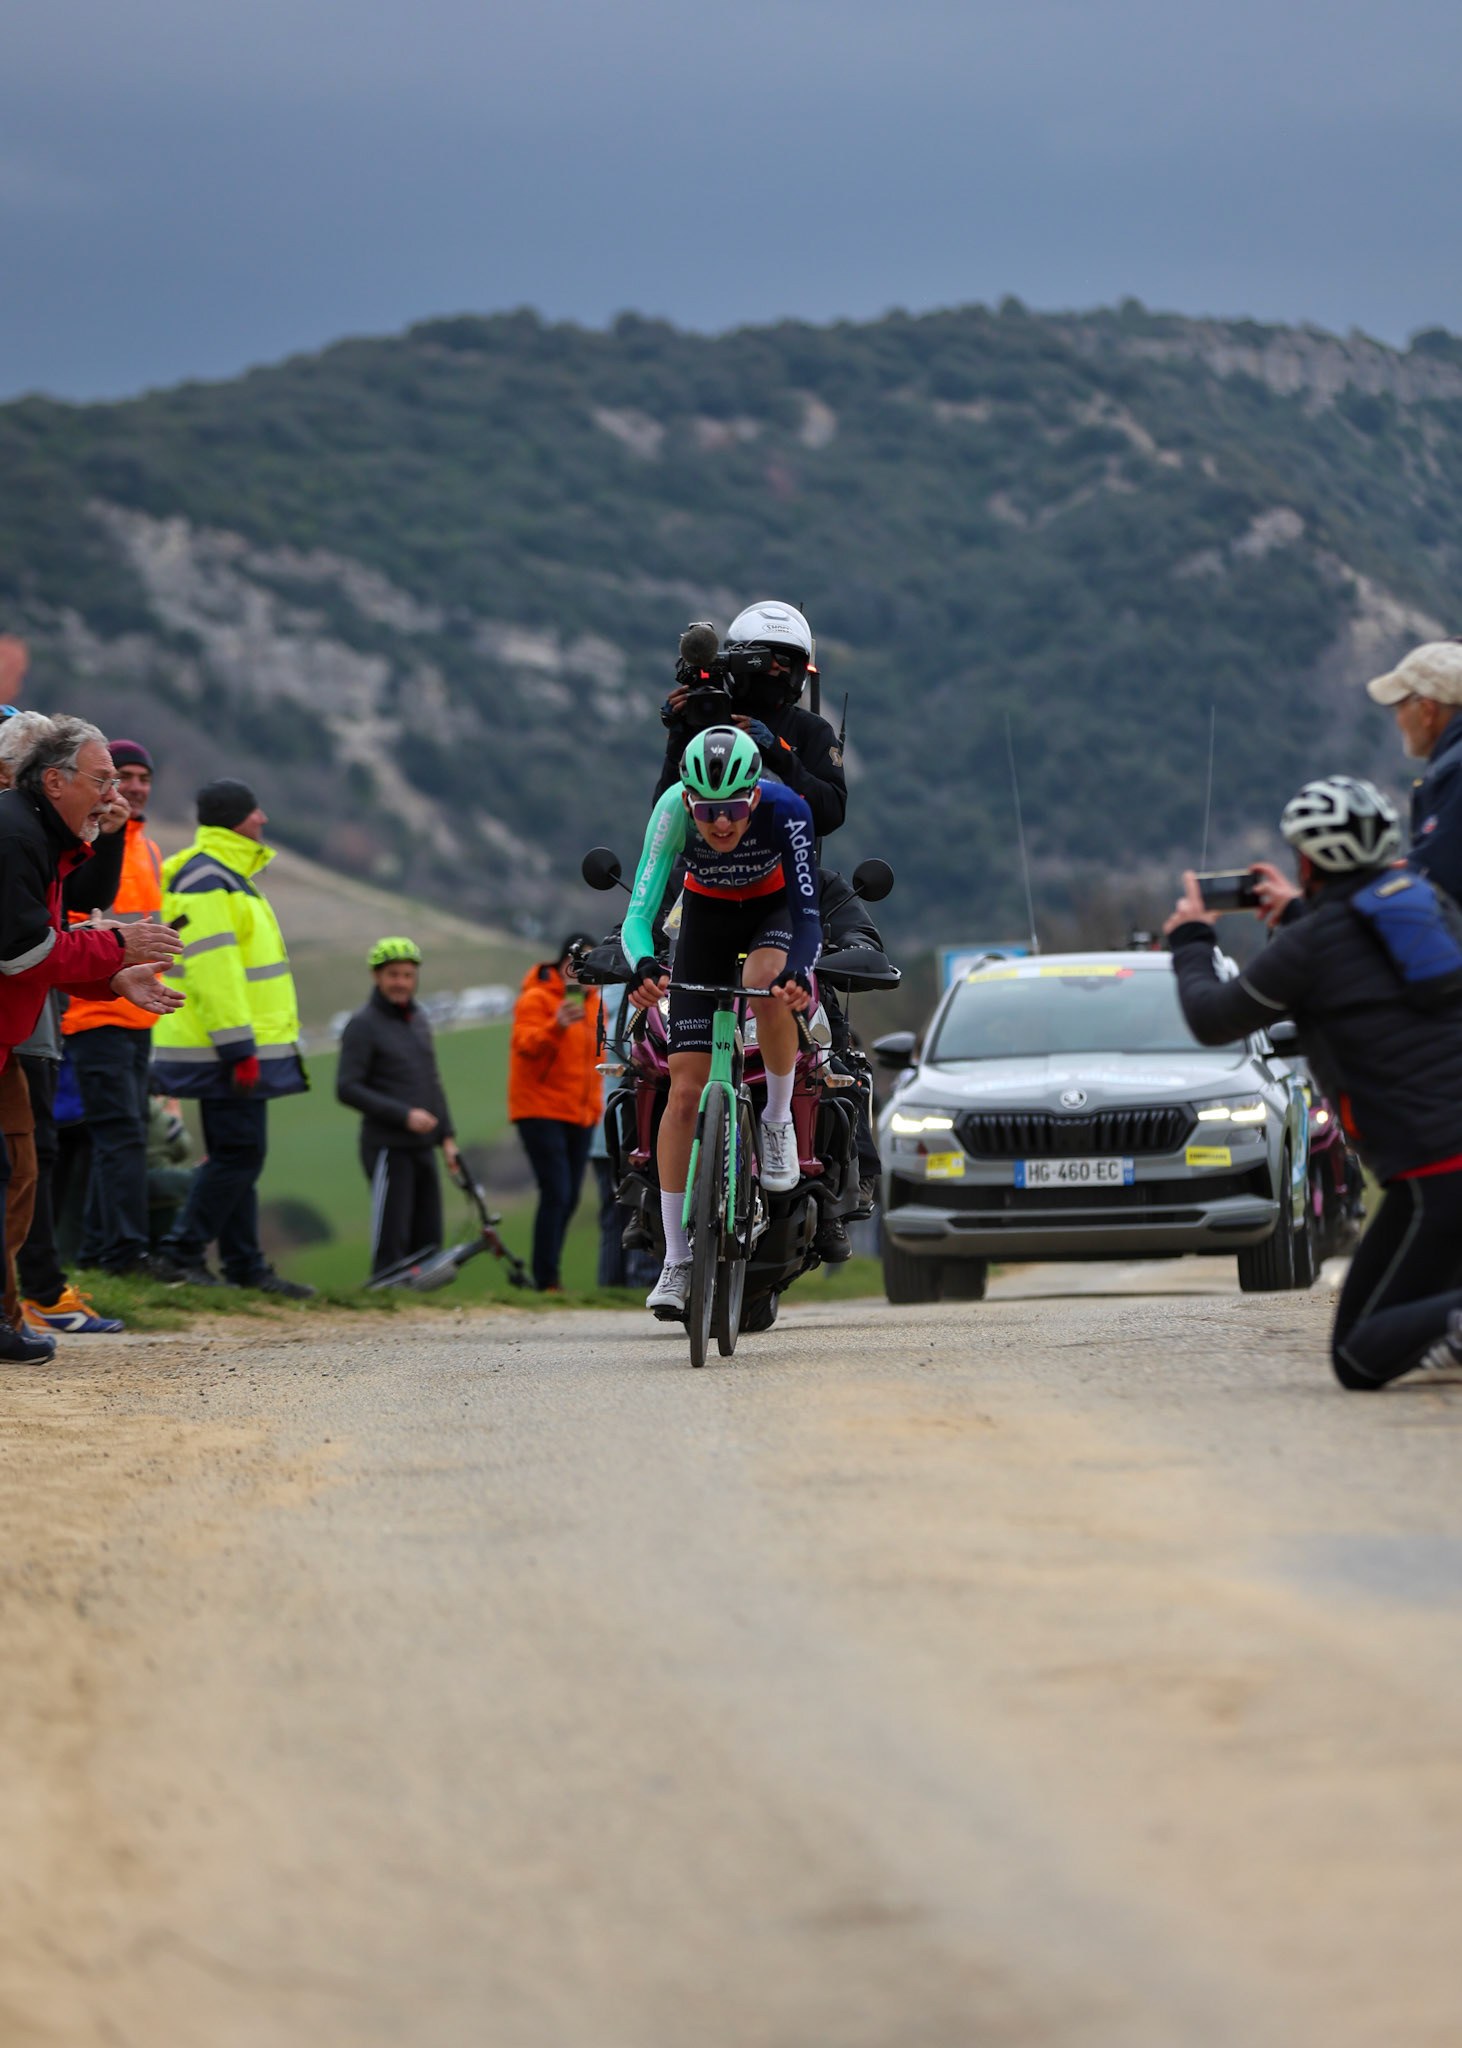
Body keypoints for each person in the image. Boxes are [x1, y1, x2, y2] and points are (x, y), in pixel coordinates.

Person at [1165, 774, 1462, 1391]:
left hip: (1436, 1169)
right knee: (1386, 1323)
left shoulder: (1310, 946)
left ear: (1306, 861)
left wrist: (1191, 938)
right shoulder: (1425, 905)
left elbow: (1213, 1018)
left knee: (1359, 1356)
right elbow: (1364, 952)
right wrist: (1301, 911)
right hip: (1431, 1168)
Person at [0, 717, 183, 1361]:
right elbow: (22, 954)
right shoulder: (16, 835)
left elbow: (44, 946)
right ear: (54, 781)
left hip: (10, 1037)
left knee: (17, 1170)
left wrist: (112, 977)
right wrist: (115, 946)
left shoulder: (39, 834)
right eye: (104, 779)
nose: (116, 794)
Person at [624, 725, 820, 1319]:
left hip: (772, 912)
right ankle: (677, 1259)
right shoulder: (671, 811)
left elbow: (809, 918)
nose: (722, 824)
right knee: (683, 1093)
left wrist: (798, 971)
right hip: (706, 915)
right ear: (688, 800)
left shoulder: (788, 809)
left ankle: (777, 1119)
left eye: (734, 808)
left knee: (766, 982)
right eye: (707, 811)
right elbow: (638, 915)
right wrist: (643, 966)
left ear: (754, 795)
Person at [150, 779, 314, 1296]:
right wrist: (238, 1048)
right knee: (239, 1154)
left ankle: (244, 1266)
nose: (263, 819)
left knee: (235, 1154)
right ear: (237, 819)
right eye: (254, 811)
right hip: (225, 1048)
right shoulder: (210, 879)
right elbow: (213, 971)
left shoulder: (222, 874)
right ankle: (181, 1254)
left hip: (227, 1045)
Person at [60, 738, 164, 1277]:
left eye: (144, 777)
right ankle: (123, 1255)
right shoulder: (87, 838)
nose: (136, 787)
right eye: (125, 776)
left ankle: (103, 1252)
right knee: (117, 1134)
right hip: (94, 1010)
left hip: (139, 1010)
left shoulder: (149, 849)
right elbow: (78, 917)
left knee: (127, 1135)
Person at [654, 601, 847, 837]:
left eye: (785, 660)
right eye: (763, 658)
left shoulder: (811, 729)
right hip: (707, 853)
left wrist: (776, 751)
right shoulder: (706, 717)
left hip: (782, 853)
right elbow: (665, 815)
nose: (775, 665)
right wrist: (678, 736)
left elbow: (831, 813)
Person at [336, 937, 462, 1280]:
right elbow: (346, 1088)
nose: (401, 983)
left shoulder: (418, 1019)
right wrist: (404, 1116)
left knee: (429, 1244)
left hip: (424, 1147)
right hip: (387, 1148)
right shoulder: (362, 1024)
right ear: (376, 976)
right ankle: (384, 1302)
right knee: (392, 1247)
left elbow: (431, 1081)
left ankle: (420, 1310)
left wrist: (447, 1137)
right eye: (393, 975)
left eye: (408, 975)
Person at [508, 933, 602, 1293]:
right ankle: (546, 1279)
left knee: (570, 1196)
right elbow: (525, 1045)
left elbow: (594, 1060)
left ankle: (548, 1276)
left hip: (580, 1113)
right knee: (557, 1192)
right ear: (563, 963)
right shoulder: (536, 997)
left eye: (589, 965)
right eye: (577, 963)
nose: (582, 972)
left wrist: (595, 1106)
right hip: (540, 1108)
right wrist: (557, 1024)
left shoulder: (595, 1004)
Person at [1365, 639, 1462, 902]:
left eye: (1400, 706)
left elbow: (1437, 884)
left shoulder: (1454, 772)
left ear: (1427, 711)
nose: (1398, 720)